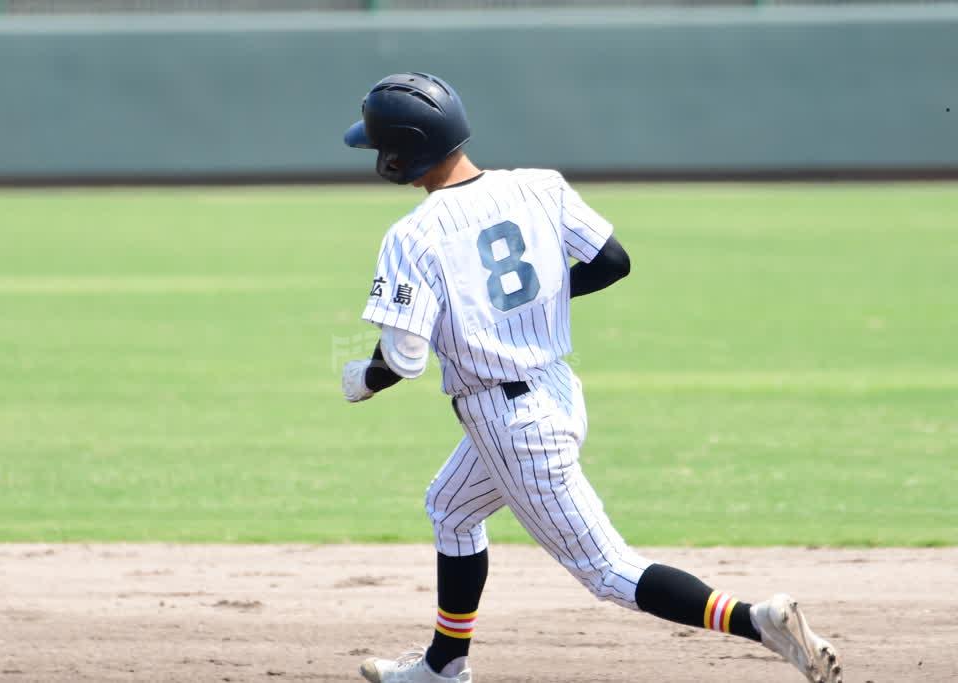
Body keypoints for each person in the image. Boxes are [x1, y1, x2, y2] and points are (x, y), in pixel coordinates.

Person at [340, 72, 842, 683]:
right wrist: (537, 303)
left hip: (511, 425)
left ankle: (757, 620)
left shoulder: (412, 236)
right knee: (450, 509)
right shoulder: (539, 187)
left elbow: (404, 357)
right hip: (557, 391)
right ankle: (444, 666)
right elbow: (612, 261)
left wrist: (363, 380)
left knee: (609, 570)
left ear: (399, 153)